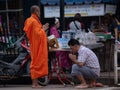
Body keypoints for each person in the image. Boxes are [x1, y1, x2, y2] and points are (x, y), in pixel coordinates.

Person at [23, 5, 49, 88]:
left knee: (36, 63)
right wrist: (43, 30)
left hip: (35, 45)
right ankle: (34, 84)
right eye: (39, 11)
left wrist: (42, 28)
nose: (40, 13)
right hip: (36, 46)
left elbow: (35, 33)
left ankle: (36, 83)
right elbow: (37, 34)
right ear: (36, 12)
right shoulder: (33, 21)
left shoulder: (32, 20)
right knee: (36, 64)